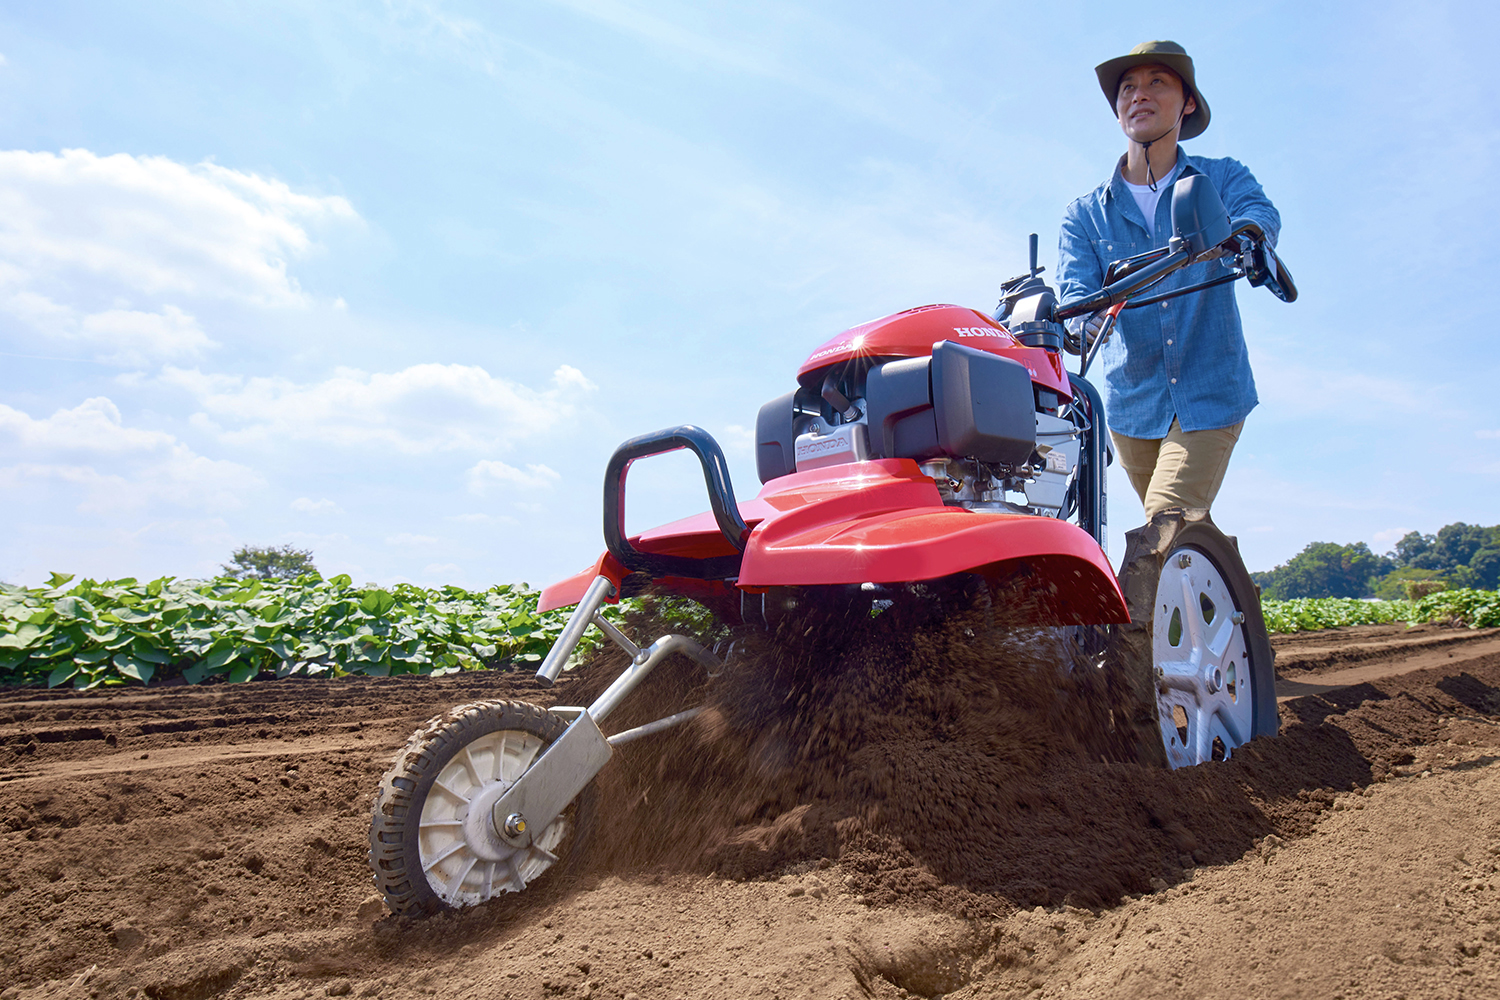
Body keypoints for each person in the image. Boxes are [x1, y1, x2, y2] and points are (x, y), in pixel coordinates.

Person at [1056, 40, 1280, 518]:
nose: (1140, 95)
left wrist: (1241, 238)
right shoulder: (1084, 216)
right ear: (1117, 111)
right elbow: (1075, 294)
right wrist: (1084, 323)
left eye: (1157, 82)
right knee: (1185, 534)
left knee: (1166, 517)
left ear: (1189, 103)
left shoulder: (1220, 178)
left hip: (1212, 391)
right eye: (1128, 88)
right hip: (1133, 407)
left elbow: (1258, 216)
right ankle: (1232, 592)